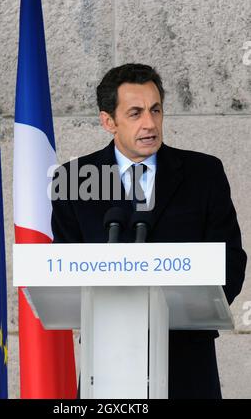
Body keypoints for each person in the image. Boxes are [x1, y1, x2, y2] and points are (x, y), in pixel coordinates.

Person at [51, 63, 247, 399]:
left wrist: (188, 308)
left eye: (156, 110)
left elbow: (231, 260)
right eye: (136, 113)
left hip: (187, 357)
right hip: (109, 359)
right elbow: (64, 265)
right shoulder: (73, 179)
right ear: (108, 121)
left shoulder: (204, 173)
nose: (150, 124)